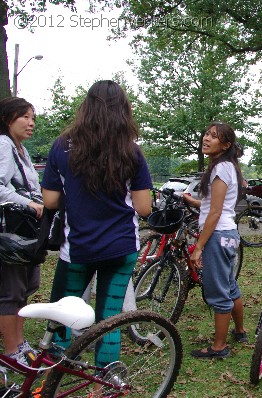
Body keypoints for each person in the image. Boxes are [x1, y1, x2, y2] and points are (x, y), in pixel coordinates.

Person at [41, 81, 153, 374]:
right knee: (109, 315)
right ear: (123, 109)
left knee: (64, 309)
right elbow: (143, 208)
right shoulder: (132, 151)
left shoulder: (62, 145)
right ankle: (108, 373)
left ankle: (57, 368)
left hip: (77, 247)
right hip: (121, 247)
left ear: (86, 106)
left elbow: (50, 200)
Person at [189, 122, 247, 359]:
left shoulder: (221, 168)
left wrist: (199, 247)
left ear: (225, 145)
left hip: (218, 236)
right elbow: (216, 206)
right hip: (227, 233)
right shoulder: (226, 166)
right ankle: (240, 331)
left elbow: (215, 212)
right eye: (206, 134)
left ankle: (219, 347)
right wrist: (192, 202)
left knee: (218, 293)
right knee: (230, 285)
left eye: (214, 136)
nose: (207, 138)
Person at [0, 97, 44, 365]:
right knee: (11, 290)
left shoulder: (21, 150)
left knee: (26, 286)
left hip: (26, 233)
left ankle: (19, 342)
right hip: (10, 233)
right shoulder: (4, 146)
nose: (31, 123)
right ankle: (11, 349)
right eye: (24, 117)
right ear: (8, 119)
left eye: (32, 118)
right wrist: (28, 202)